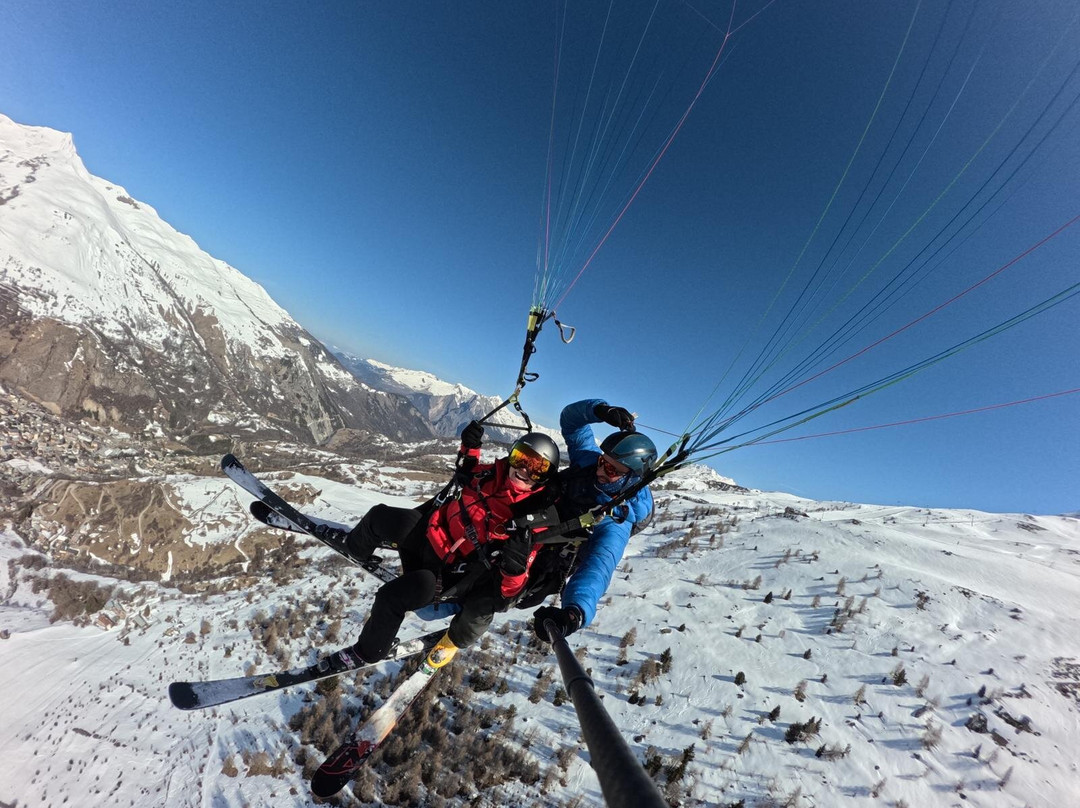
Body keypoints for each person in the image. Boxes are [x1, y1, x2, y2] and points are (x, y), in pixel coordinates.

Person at [340, 421, 560, 670]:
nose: (524, 471)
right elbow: (468, 473)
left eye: (537, 469)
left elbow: (509, 594)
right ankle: (355, 548)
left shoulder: (531, 522)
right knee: (379, 516)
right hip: (431, 535)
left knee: (391, 597)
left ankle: (368, 652)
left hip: (446, 575)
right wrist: (470, 446)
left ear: (545, 478)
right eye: (521, 458)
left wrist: (514, 567)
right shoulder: (491, 475)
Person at [531, 399, 657, 642]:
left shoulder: (617, 521)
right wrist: (600, 410)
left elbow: (599, 567)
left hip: (546, 557)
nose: (601, 471)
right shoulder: (588, 462)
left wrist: (575, 612)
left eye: (611, 470)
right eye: (603, 462)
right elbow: (571, 422)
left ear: (631, 479)